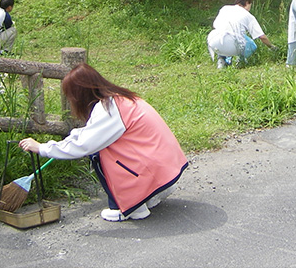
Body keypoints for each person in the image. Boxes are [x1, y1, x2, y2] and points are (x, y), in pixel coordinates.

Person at [19, 63, 188, 222]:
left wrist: (42, 148)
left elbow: (84, 145)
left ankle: (130, 207)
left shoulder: (108, 109)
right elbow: (89, 133)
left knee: (98, 152)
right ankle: (150, 194)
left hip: (155, 167)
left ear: (79, 94)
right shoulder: (118, 99)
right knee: (102, 146)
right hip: (165, 165)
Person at [207, 0, 276, 68]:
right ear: (247, 3)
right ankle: (240, 61)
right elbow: (262, 37)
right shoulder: (247, 15)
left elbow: (215, 25)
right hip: (232, 44)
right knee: (250, 44)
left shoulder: (225, 8)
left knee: (226, 35)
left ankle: (221, 60)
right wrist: (272, 47)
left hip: (213, 41)